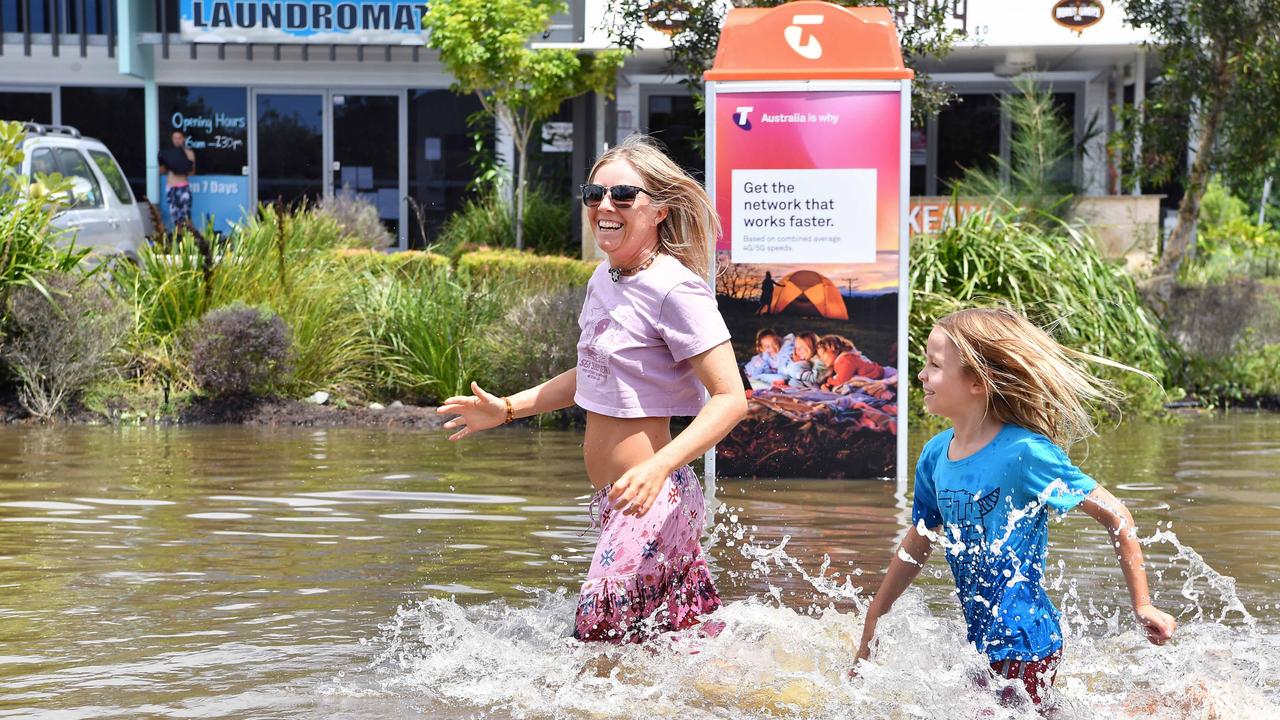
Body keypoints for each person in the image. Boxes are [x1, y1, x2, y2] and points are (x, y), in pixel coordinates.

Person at [437, 134, 747, 643]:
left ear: (659, 211)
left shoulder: (676, 288)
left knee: (598, 636)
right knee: (676, 648)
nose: (605, 205)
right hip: (617, 499)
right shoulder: (604, 279)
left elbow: (732, 398)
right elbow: (594, 371)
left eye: (623, 196)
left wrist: (657, 467)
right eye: (594, 194)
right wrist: (508, 408)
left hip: (654, 496)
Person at [853, 307, 1177, 708]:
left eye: (934, 365)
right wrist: (875, 615)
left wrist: (1142, 605)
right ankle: (1168, 707)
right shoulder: (935, 455)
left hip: (1026, 639)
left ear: (976, 381)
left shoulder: (1025, 453)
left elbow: (1117, 516)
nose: (921, 374)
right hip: (982, 639)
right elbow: (918, 538)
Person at [817, 334, 888, 393]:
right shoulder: (843, 359)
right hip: (875, 374)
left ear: (834, 350)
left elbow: (841, 380)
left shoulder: (846, 360)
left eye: (823, 354)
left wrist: (830, 381)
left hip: (877, 375)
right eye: (819, 356)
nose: (821, 358)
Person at [157, 129, 196, 232]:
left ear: (183, 139)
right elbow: (162, 171)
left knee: (186, 216)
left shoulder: (189, 153)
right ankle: (180, 241)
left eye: (179, 138)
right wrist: (162, 162)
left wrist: (181, 166)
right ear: (172, 139)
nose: (177, 140)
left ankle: (191, 241)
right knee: (175, 218)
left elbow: (192, 172)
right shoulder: (168, 154)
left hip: (183, 187)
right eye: (175, 138)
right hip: (171, 187)